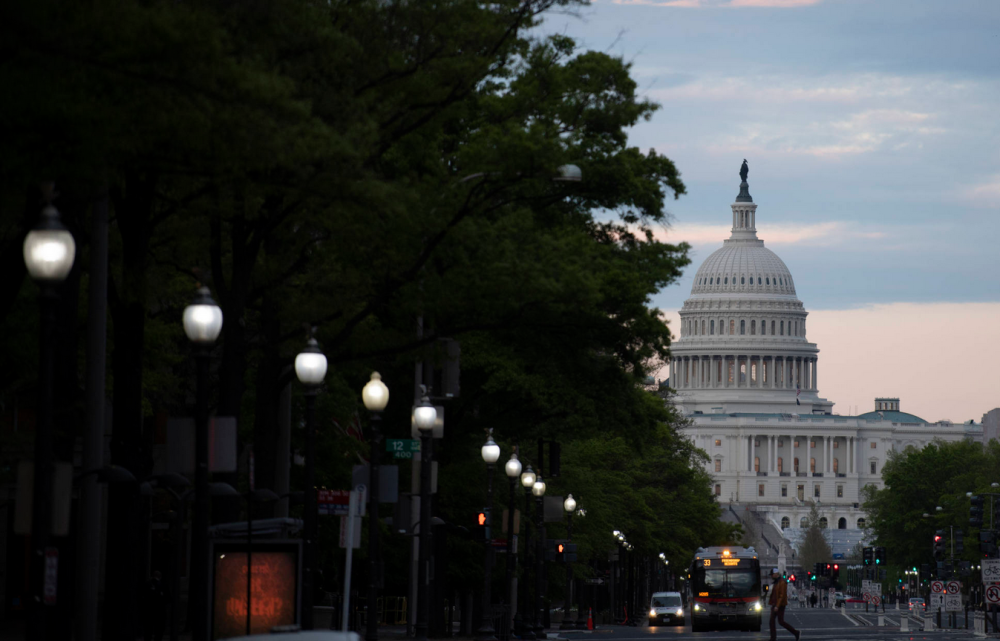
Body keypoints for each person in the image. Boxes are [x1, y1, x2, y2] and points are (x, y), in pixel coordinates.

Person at [768, 569, 801, 641]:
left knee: (780, 621)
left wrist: (777, 606)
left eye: (772, 574)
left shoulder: (782, 582)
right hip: (775, 604)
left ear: (776, 574)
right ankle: (773, 638)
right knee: (772, 621)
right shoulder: (777, 582)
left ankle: (795, 632)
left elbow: (782, 595)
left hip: (780, 605)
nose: (771, 576)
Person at [143, 570, 168, 641]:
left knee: (149, 631)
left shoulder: (147, 584)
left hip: (150, 611)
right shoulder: (162, 584)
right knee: (158, 631)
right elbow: (168, 598)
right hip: (159, 611)